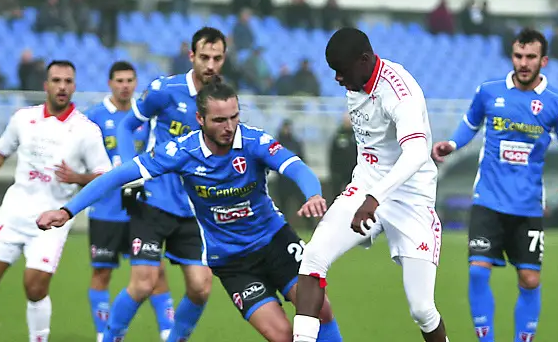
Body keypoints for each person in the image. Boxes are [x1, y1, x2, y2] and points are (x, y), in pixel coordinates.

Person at [37, 80, 344, 342]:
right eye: (219, 120)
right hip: (232, 261)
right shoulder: (182, 152)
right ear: (200, 118)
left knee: (321, 308)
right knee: (281, 336)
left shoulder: (253, 141)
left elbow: (297, 168)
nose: (229, 127)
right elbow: (117, 176)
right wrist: (67, 210)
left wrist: (313, 193)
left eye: (234, 117)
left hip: (275, 240)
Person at [431, 28, 558, 342]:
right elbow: (469, 126)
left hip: (527, 204)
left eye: (531, 57)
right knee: (478, 270)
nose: (523, 63)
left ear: (544, 60)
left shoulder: (556, 103)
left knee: (530, 279)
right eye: (518, 56)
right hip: (487, 198)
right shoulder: (489, 92)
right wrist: (451, 143)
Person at [293, 28, 449, 342]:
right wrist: (366, 192)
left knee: (421, 308)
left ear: (365, 60)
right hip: (365, 186)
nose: (337, 79)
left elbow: (416, 152)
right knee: (312, 257)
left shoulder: (398, 90)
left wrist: (375, 198)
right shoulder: (356, 81)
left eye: (341, 71)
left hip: (410, 198)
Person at [0, 61, 112, 342]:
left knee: (35, 286)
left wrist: (76, 177)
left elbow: (105, 176)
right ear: (46, 85)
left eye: (67, 81)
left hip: (52, 219)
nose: (62, 86)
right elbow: (0, 151)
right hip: (14, 212)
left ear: (74, 86)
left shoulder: (86, 130)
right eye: (56, 80)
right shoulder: (23, 119)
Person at [98, 27, 226, 341]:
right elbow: (128, 126)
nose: (210, 64)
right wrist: (132, 171)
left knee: (201, 287)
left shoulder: (223, 100)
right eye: (204, 57)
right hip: (153, 200)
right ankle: (111, 336)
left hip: (194, 207)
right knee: (143, 283)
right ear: (191, 56)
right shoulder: (164, 90)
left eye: (217, 58)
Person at [83, 61, 174, 342]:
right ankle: (104, 334)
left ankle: (167, 331)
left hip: (141, 209)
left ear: (136, 84)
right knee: (102, 272)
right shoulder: (93, 118)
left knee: (156, 271)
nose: (124, 85)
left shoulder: (146, 117)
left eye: (129, 80)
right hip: (106, 210)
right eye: (119, 80)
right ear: (110, 83)